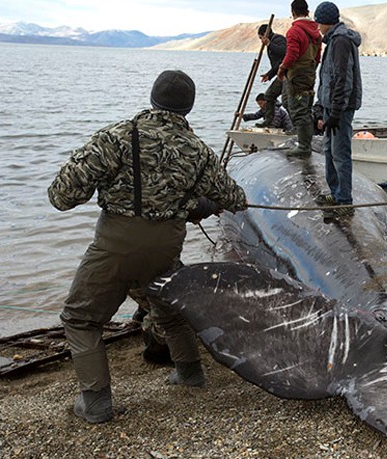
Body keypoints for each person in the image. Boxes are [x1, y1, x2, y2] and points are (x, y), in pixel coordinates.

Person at [48, 70, 248, 424]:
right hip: (166, 244)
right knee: (168, 306)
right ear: (189, 107)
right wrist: (194, 202)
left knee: (79, 318)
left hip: (116, 244)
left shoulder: (116, 137)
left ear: (153, 99)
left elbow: (61, 196)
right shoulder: (198, 150)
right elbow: (234, 199)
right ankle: (189, 373)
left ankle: (95, 403)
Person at [314, 1, 363, 219]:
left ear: (326, 22)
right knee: (328, 150)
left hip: (340, 108)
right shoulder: (333, 41)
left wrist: (335, 112)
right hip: (329, 105)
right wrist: (320, 104)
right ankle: (335, 192)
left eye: (319, 23)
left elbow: (343, 79)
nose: (317, 27)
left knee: (340, 153)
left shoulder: (341, 41)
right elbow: (326, 77)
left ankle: (345, 199)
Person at [277, 0, 322, 157]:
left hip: (297, 75)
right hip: (310, 72)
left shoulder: (294, 31)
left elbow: (292, 54)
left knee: (299, 110)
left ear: (293, 13)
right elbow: (317, 56)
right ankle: (304, 139)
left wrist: (282, 68)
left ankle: (304, 146)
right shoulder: (316, 32)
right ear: (308, 12)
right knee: (302, 106)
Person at [254, 24, 288, 128]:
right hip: (280, 74)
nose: (261, 41)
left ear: (265, 35)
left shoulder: (278, 39)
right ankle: (269, 120)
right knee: (269, 95)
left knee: (287, 101)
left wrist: (269, 44)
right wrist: (269, 75)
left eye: (261, 38)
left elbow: (284, 53)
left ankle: (296, 125)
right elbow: (278, 64)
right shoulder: (271, 43)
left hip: (287, 75)